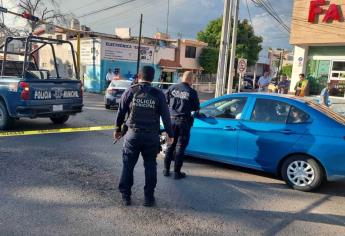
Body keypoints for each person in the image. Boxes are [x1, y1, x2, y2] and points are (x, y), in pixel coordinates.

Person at [114, 66, 174, 207]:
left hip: (132, 135)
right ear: (152, 78)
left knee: (128, 165)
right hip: (151, 137)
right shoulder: (158, 94)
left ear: (139, 76)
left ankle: (126, 196)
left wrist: (117, 129)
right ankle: (148, 198)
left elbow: (121, 112)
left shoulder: (131, 91)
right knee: (150, 166)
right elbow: (166, 117)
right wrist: (170, 134)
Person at [164, 71, 200, 179]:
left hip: (171, 121)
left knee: (170, 145)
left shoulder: (172, 88)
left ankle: (166, 170)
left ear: (182, 78)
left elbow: (165, 101)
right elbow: (195, 107)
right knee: (180, 147)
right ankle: (176, 172)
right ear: (191, 80)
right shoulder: (192, 92)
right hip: (184, 122)